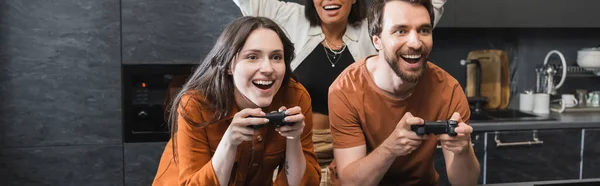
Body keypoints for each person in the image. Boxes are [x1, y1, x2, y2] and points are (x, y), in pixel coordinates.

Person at [231, 1, 448, 184]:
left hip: (358, 150)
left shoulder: (377, 25)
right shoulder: (288, 17)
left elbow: (427, 9)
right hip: (298, 147)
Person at [152, 16, 321, 186]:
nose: (268, 69)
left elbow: (305, 184)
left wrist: (293, 140)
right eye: (252, 57)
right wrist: (229, 143)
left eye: (276, 57)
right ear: (228, 65)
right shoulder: (196, 104)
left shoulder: (295, 97)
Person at [327, 0, 480, 185]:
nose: (415, 43)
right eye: (401, 31)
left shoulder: (449, 90)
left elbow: (466, 183)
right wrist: (391, 149)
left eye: (424, 30)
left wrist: (463, 150)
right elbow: (351, 183)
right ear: (377, 41)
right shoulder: (345, 90)